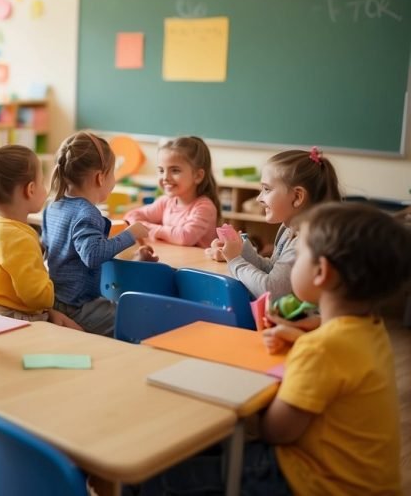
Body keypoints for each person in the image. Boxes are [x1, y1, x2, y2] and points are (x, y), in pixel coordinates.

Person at [134, 202, 408, 495]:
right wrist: (302, 339)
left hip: (316, 481)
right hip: (367, 483)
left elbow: (277, 432)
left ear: (321, 273)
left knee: (150, 477)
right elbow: (337, 366)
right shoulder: (372, 330)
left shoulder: (320, 349)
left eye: (299, 255)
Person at [41, 132, 152, 336]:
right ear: (100, 177)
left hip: (57, 299)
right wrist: (130, 234)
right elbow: (93, 256)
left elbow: (46, 249)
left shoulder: (53, 205)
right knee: (140, 322)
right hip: (78, 306)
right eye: (113, 174)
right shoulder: (87, 213)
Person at [0, 145, 79, 328]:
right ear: (30, 189)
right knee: (79, 333)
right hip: (11, 317)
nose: (45, 188)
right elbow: (37, 298)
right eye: (42, 182)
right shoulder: (20, 237)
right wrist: (50, 280)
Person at [209, 147, 340, 300]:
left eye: (266, 189)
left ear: (297, 197)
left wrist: (235, 260)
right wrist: (240, 249)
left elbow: (271, 290)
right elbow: (272, 270)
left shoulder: (306, 242)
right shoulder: (287, 228)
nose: (259, 198)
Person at [123, 136, 219, 247]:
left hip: (196, 264)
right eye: (161, 170)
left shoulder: (204, 207)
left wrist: (145, 227)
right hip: (174, 260)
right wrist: (139, 225)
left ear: (198, 175)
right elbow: (131, 215)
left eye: (175, 170)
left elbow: (185, 237)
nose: (165, 177)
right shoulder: (166, 202)